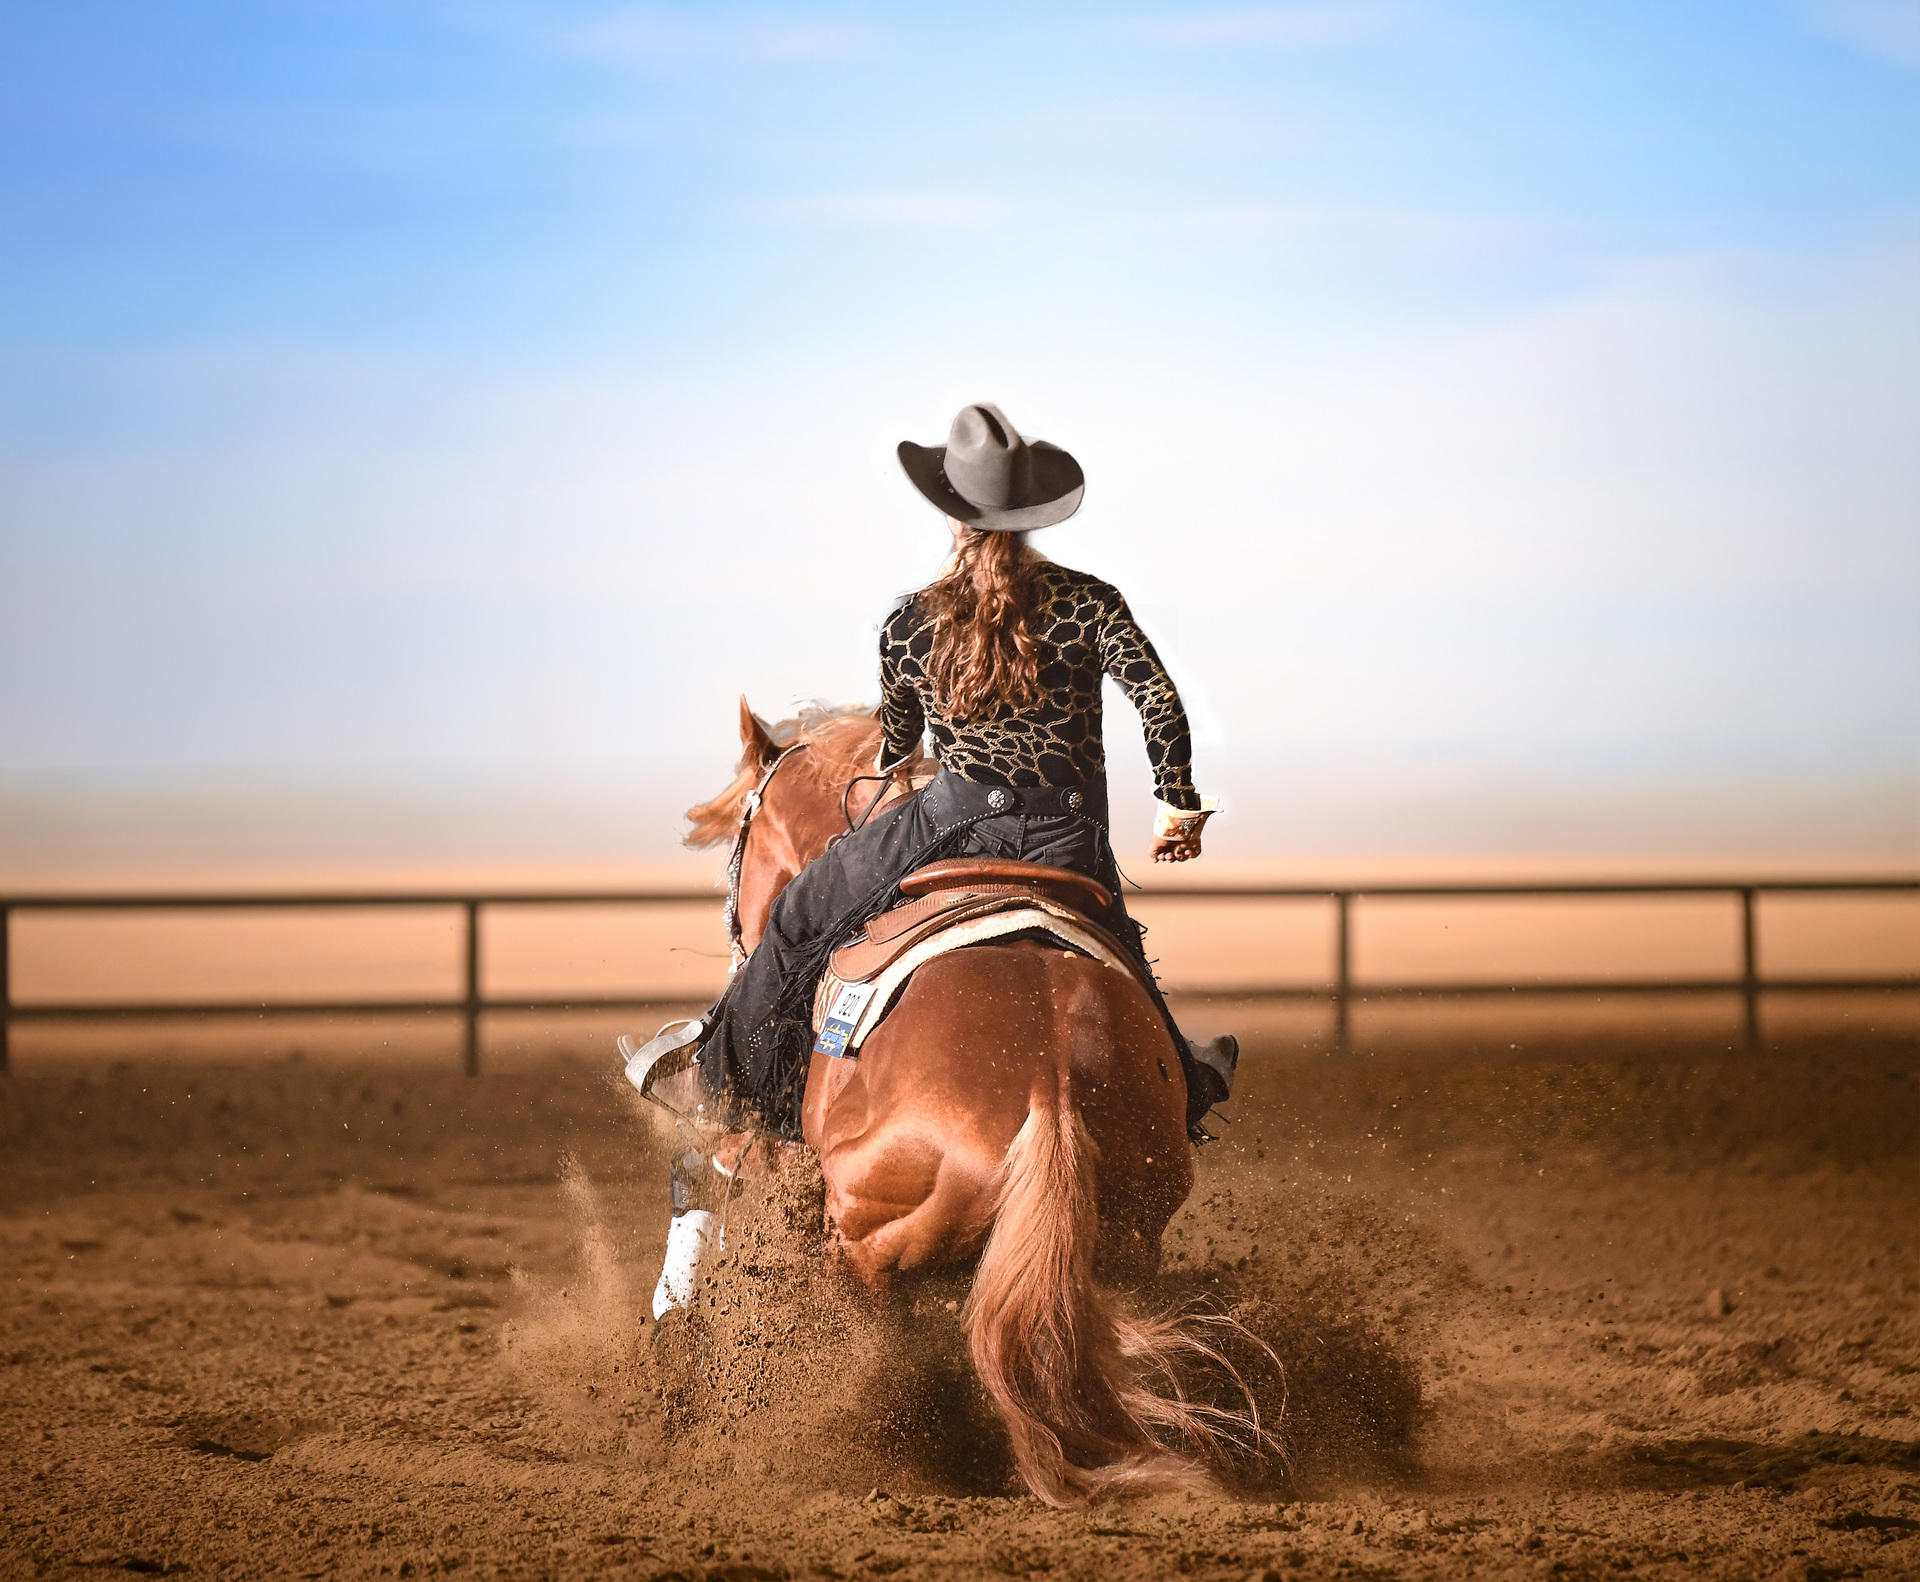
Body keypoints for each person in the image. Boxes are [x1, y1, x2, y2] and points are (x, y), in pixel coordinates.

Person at [623, 403, 1236, 1315]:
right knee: (1120, 957)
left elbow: (900, 748)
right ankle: (1184, 1081)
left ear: (953, 514)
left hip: (950, 821)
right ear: (1029, 516)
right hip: (1070, 837)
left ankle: (720, 1079)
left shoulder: (912, 623)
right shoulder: (1091, 601)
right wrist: (1178, 799)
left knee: (794, 921)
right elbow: (1158, 697)